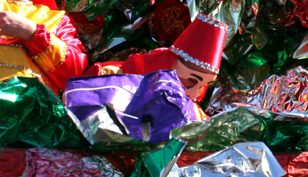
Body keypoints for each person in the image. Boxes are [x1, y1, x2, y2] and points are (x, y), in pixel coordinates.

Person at [84, 13, 228, 120]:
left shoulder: (194, 114)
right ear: (168, 65)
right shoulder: (107, 77)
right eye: (190, 80)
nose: (194, 94)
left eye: (204, 85)